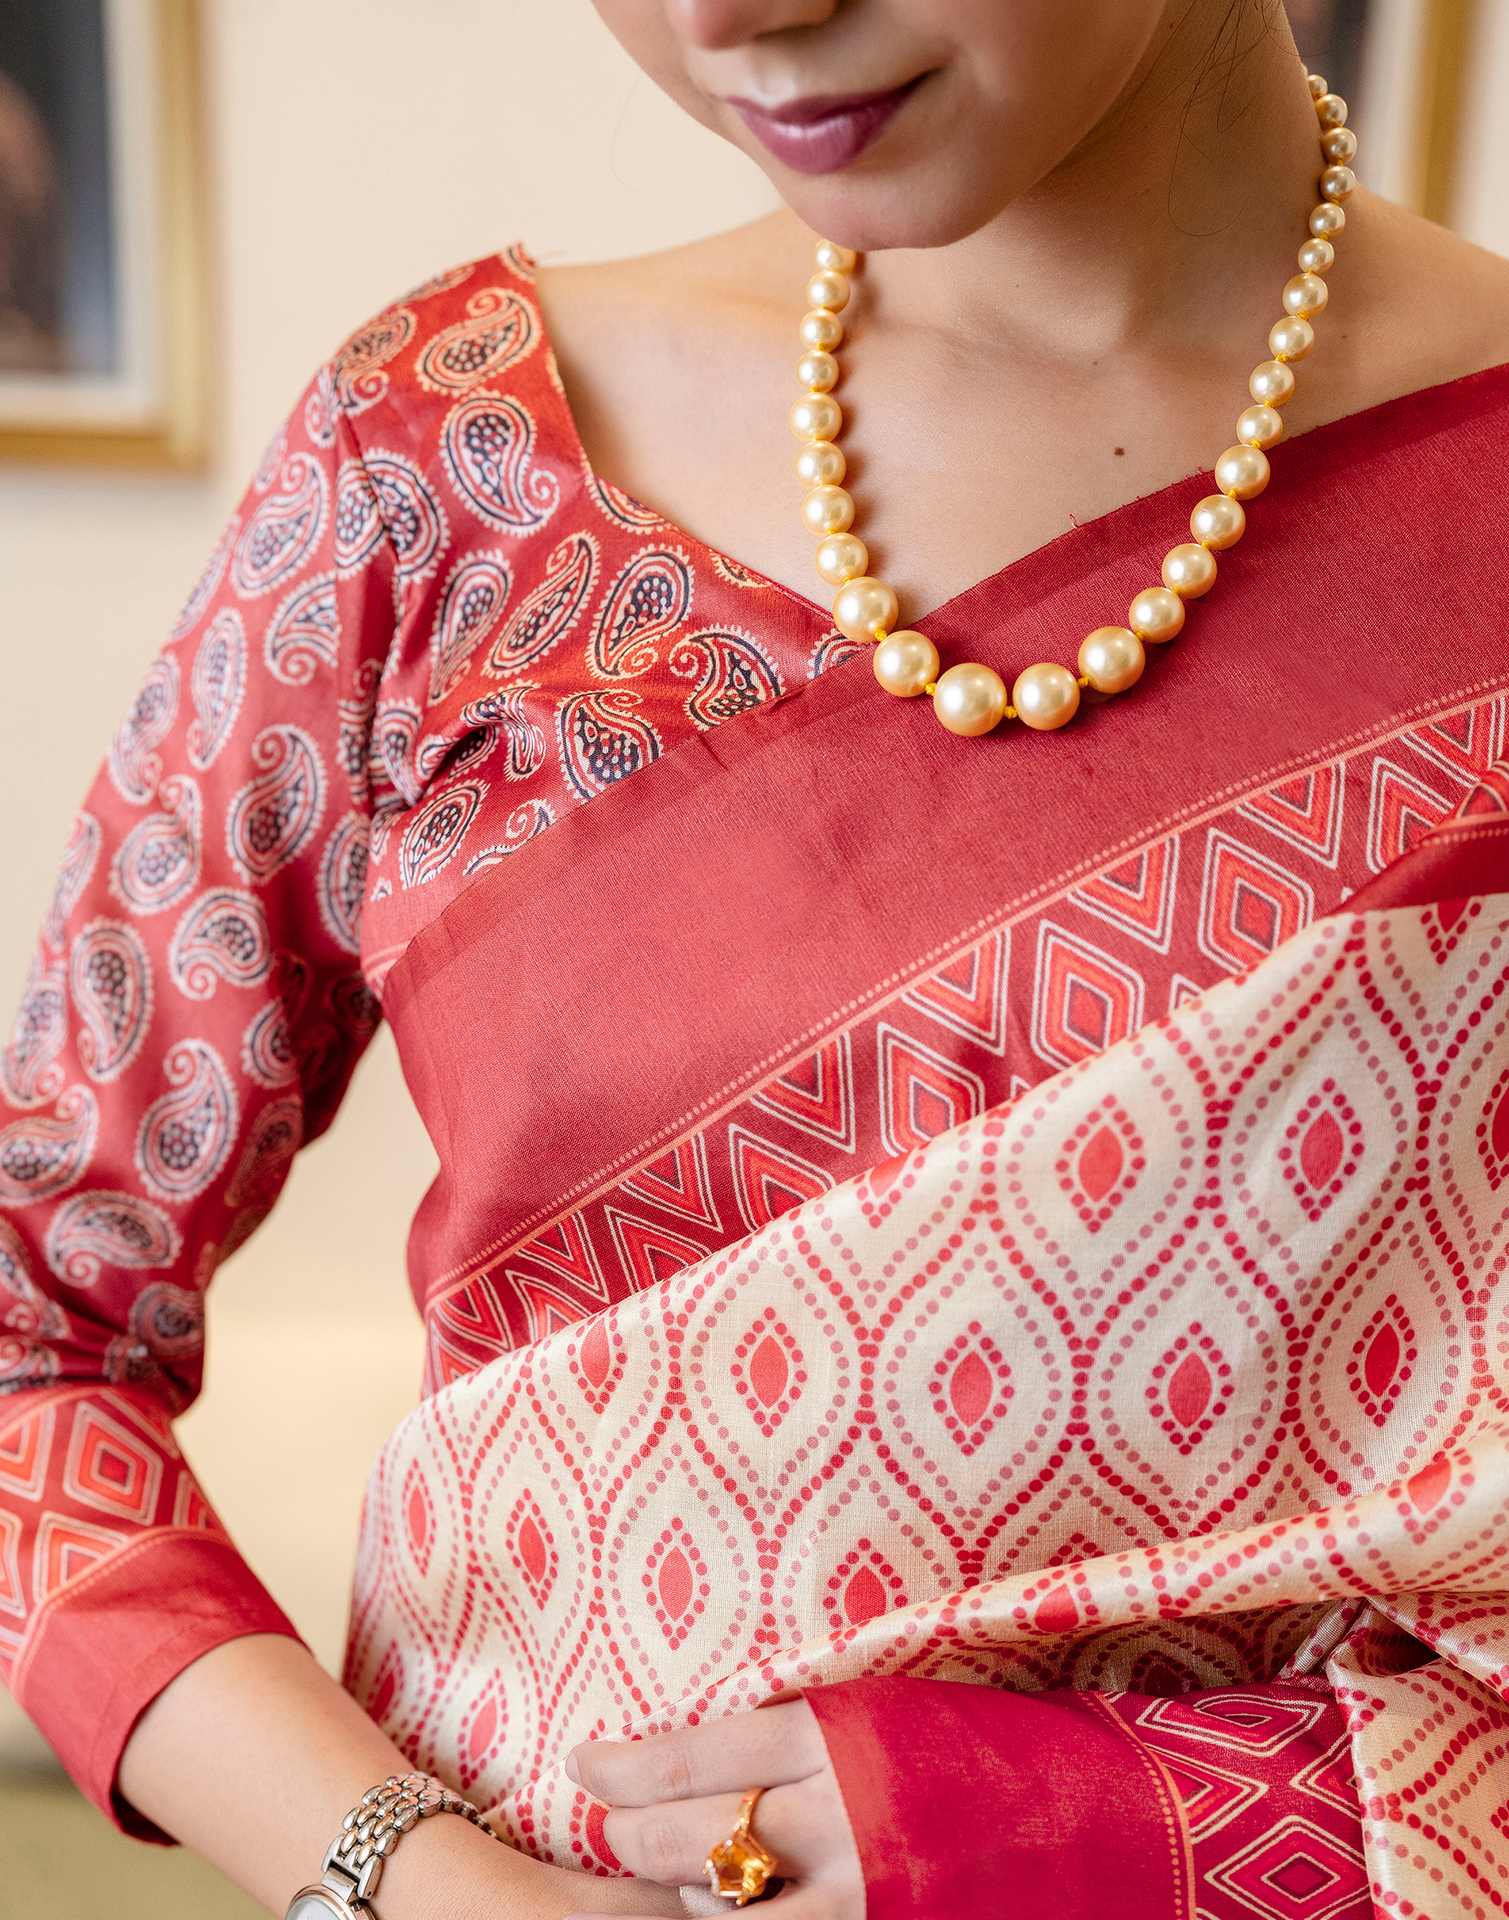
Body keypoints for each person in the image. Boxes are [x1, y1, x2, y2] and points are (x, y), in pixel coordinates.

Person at [3, 2, 1508, 1916]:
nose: (730, 13)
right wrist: (413, 1880)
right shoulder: (445, 475)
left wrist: (1071, 1826)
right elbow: (33, 1332)